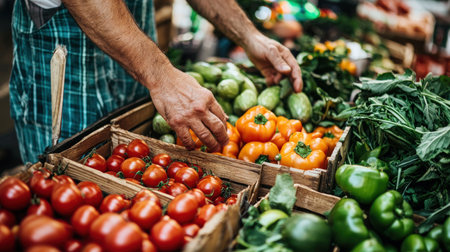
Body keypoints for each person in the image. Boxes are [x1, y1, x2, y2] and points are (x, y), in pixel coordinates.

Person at [10, 0, 303, 164]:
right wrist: (161, 76)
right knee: (63, 197)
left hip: (137, 73)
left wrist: (248, 35)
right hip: (66, 70)